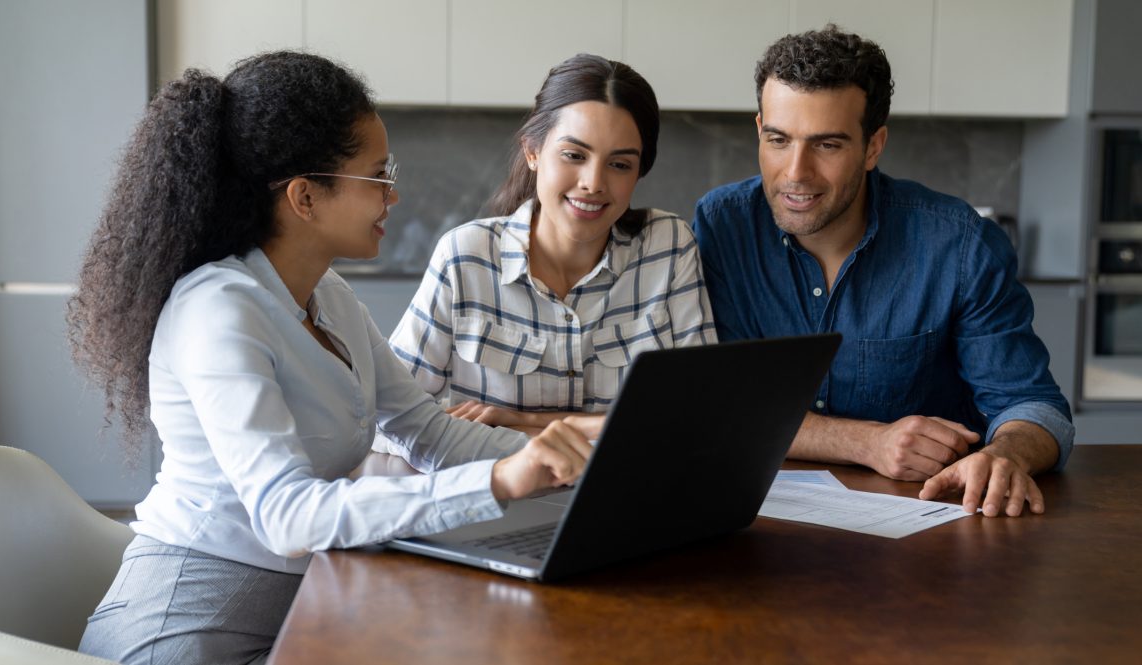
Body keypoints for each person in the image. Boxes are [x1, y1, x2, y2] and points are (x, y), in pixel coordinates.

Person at [66, 51, 599, 665]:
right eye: (377, 175)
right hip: (186, 628)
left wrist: (579, 463)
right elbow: (287, 519)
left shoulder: (328, 297)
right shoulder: (218, 311)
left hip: (298, 610)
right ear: (305, 197)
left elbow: (429, 435)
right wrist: (502, 479)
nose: (394, 195)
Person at [692, 26, 1074, 518]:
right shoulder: (723, 227)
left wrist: (1006, 455)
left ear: (874, 147)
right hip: (760, 527)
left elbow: (1035, 406)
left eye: (827, 145)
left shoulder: (959, 244)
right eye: (778, 140)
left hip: (931, 527)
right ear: (759, 128)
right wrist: (867, 442)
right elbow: (722, 406)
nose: (795, 172)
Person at [383, 53, 716, 439]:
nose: (594, 182)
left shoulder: (669, 247)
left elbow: (702, 413)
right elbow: (390, 416)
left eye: (620, 165)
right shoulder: (465, 257)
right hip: (497, 493)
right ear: (533, 152)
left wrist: (528, 422)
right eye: (574, 155)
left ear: (639, 171)